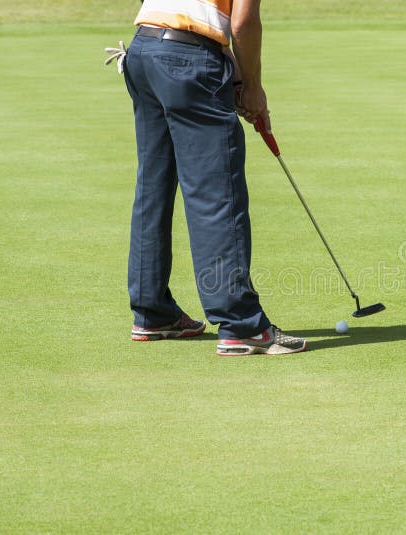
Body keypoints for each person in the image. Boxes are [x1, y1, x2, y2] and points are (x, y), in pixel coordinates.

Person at [121, 0, 307, 356]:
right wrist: (252, 85)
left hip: (144, 49)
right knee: (217, 193)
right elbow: (243, 22)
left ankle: (152, 311)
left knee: (153, 188)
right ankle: (242, 324)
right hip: (189, 60)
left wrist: (234, 74)